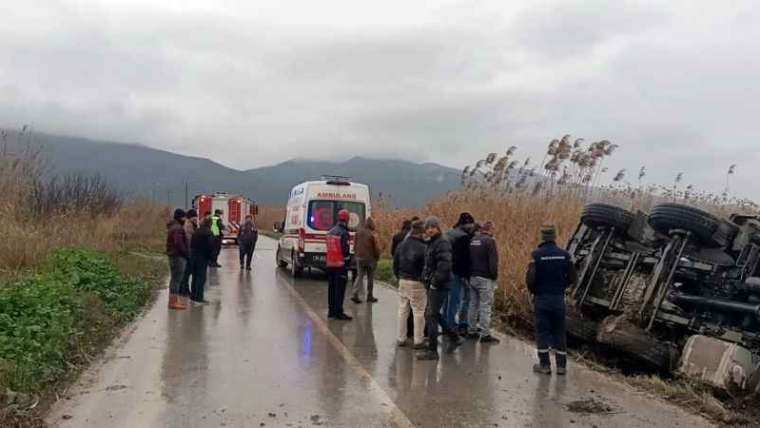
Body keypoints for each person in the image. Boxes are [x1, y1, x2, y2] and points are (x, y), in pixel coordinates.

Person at [526, 225, 578, 375]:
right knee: (559, 332)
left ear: (543, 237)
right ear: (554, 237)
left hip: (542, 299)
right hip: (558, 299)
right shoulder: (565, 255)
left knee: (542, 332)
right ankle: (561, 367)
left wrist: (534, 291)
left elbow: (530, 279)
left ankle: (545, 365)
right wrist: (562, 286)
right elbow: (573, 278)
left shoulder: (536, 255)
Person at [418, 216, 463, 361]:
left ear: (438, 228)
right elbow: (430, 263)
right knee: (434, 314)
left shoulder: (442, 242)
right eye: (428, 227)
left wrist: (435, 281)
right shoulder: (432, 242)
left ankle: (433, 351)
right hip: (433, 283)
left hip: (439, 284)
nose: (430, 230)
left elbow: (445, 264)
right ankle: (454, 337)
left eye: (433, 227)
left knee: (431, 315)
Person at [394, 219, 428, 349]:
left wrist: (399, 276)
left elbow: (395, 264)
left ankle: (401, 338)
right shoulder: (423, 248)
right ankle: (418, 340)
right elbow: (426, 267)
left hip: (403, 279)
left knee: (403, 309)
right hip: (417, 282)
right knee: (418, 311)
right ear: (421, 232)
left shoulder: (401, 245)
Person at [467, 221, 500, 344]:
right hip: (485, 278)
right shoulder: (490, 241)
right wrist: (494, 276)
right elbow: (493, 262)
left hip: (472, 276)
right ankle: (485, 334)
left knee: (473, 304)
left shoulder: (473, 240)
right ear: (490, 229)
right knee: (485, 306)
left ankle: (471, 330)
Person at [444, 212, 477, 334]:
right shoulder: (463, 237)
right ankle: (453, 325)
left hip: (446, 269)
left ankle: (447, 322)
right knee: (457, 299)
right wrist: (464, 275)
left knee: (448, 299)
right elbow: (463, 258)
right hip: (457, 271)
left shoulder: (448, 232)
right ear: (467, 223)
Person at [326, 209, 353, 321]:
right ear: (347, 219)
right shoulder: (344, 233)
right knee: (340, 290)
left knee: (331, 289)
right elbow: (345, 251)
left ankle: (331, 311)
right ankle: (339, 312)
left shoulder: (330, 231)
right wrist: (349, 262)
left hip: (330, 264)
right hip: (340, 266)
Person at [351, 217, 381, 304]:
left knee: (359, 276)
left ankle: (355, 294)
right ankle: (369, 296)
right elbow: (376, 248)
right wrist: (377, 257)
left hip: (359, 258)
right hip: (370, 259)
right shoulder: (371, 235)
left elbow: (354, 245)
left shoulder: (358, 232)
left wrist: (356, 254)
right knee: (370, 277)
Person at [166, 208, 189, 310]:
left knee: (174, 279)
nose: (185, 219)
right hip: (178, 256)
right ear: (180, 217)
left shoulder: (173, 227)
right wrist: (186, 253)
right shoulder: (178, 228)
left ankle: (173, 300)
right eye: (184, 217)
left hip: (173, 255)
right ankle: (173, 302)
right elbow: (178, 243)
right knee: (177, 279)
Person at [190, 217, 215, 305]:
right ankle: (199, 297)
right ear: (210, 224)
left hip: (193, 256)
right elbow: (211, 247)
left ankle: (193, 296)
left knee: (195, 276)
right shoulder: (209, 233)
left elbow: (191, 244)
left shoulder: (196, 231)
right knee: (201, 278)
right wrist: (211, 258)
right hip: (203, 257)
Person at [179, 209, 199, 297]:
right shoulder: (188, 226)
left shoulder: (190, 224)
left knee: (186, 273)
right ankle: (184, 290)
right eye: (195, 217)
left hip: (189, 252)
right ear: (191, 217)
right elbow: (189, 239)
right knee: (186, 273)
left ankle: (184, 290)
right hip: (189, 252)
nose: (196, 219)